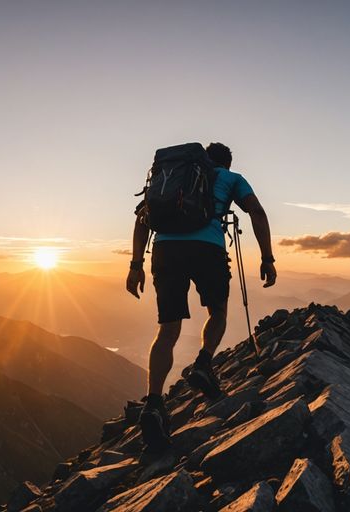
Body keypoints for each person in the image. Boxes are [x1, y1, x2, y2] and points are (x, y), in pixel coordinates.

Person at [125, 142, 277, 450]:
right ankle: (203, 364)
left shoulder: (174, 177)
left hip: (166, 250)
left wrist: (136, 265)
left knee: (167, 329)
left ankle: (153, 403)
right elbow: (257, 212)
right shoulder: (231, 178)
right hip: (207, 249)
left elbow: (143, 219)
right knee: (217, 312)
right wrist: (267, 258)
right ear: (227, 164)